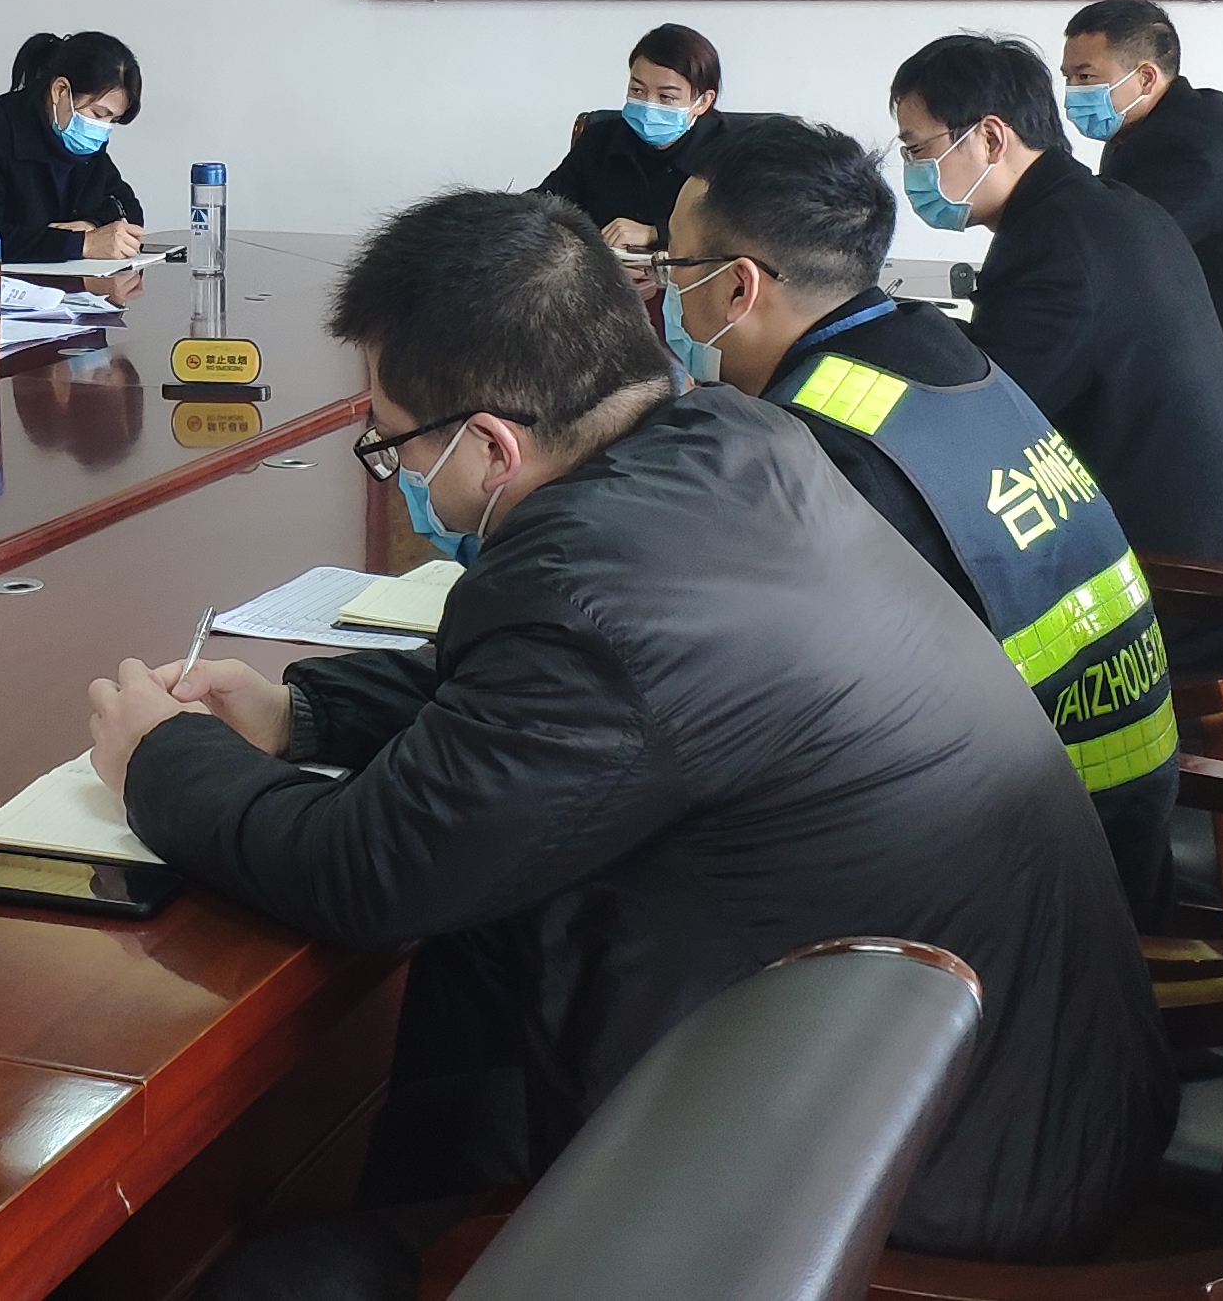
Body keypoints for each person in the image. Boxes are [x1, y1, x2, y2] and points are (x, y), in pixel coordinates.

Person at [92, 191, 1169, 1294]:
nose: (398, 473)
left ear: (490, 445)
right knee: (471, 980)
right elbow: (564, 701)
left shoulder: (590, 587)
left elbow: (368, 870)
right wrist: (302, 714)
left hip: (919, 1194)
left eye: (393, 445)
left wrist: (158, 762)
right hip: (1022, 1093)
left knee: (263, 1281)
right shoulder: (736, 442)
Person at [657, 117, 1175, 919]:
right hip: (1123, 818)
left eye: (675, 265)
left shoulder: (812, 452)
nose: (665, 289)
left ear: (738, 286)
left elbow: (746, 706)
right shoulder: (939, 351)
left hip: (1024, 888)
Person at [891, 34, 1223, 570]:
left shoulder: (1054, 244)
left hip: (1180, 580)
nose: (911, 169)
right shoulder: (1099, 207)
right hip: (1211, 543)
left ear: (991, 139)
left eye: (916, 150)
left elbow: (988, 415)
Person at [1062, 0, 1223, 394]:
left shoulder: (1190, 151)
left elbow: (1110, 259)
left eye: (1085, 77)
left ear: (1145, 78)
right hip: (1206, 368)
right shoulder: (1154, 128)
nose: (1072, 93)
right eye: (1068, 78)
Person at [0, 30, 146, 280]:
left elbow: (128, 207)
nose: (103, 129)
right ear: (60, 90)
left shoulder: (82, 145)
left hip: (49, 291)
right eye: (98, 114)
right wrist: (82, 243)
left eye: (113, 120)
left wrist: (92, 225)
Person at [532, 20, 733, 250]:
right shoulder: (599, 139)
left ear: (703, 101)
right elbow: (546, 203)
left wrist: (656, 232)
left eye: (666, 97)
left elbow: (740, 230)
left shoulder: (729, 152)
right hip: (604, 269)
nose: (648, 105)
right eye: (637, 90)